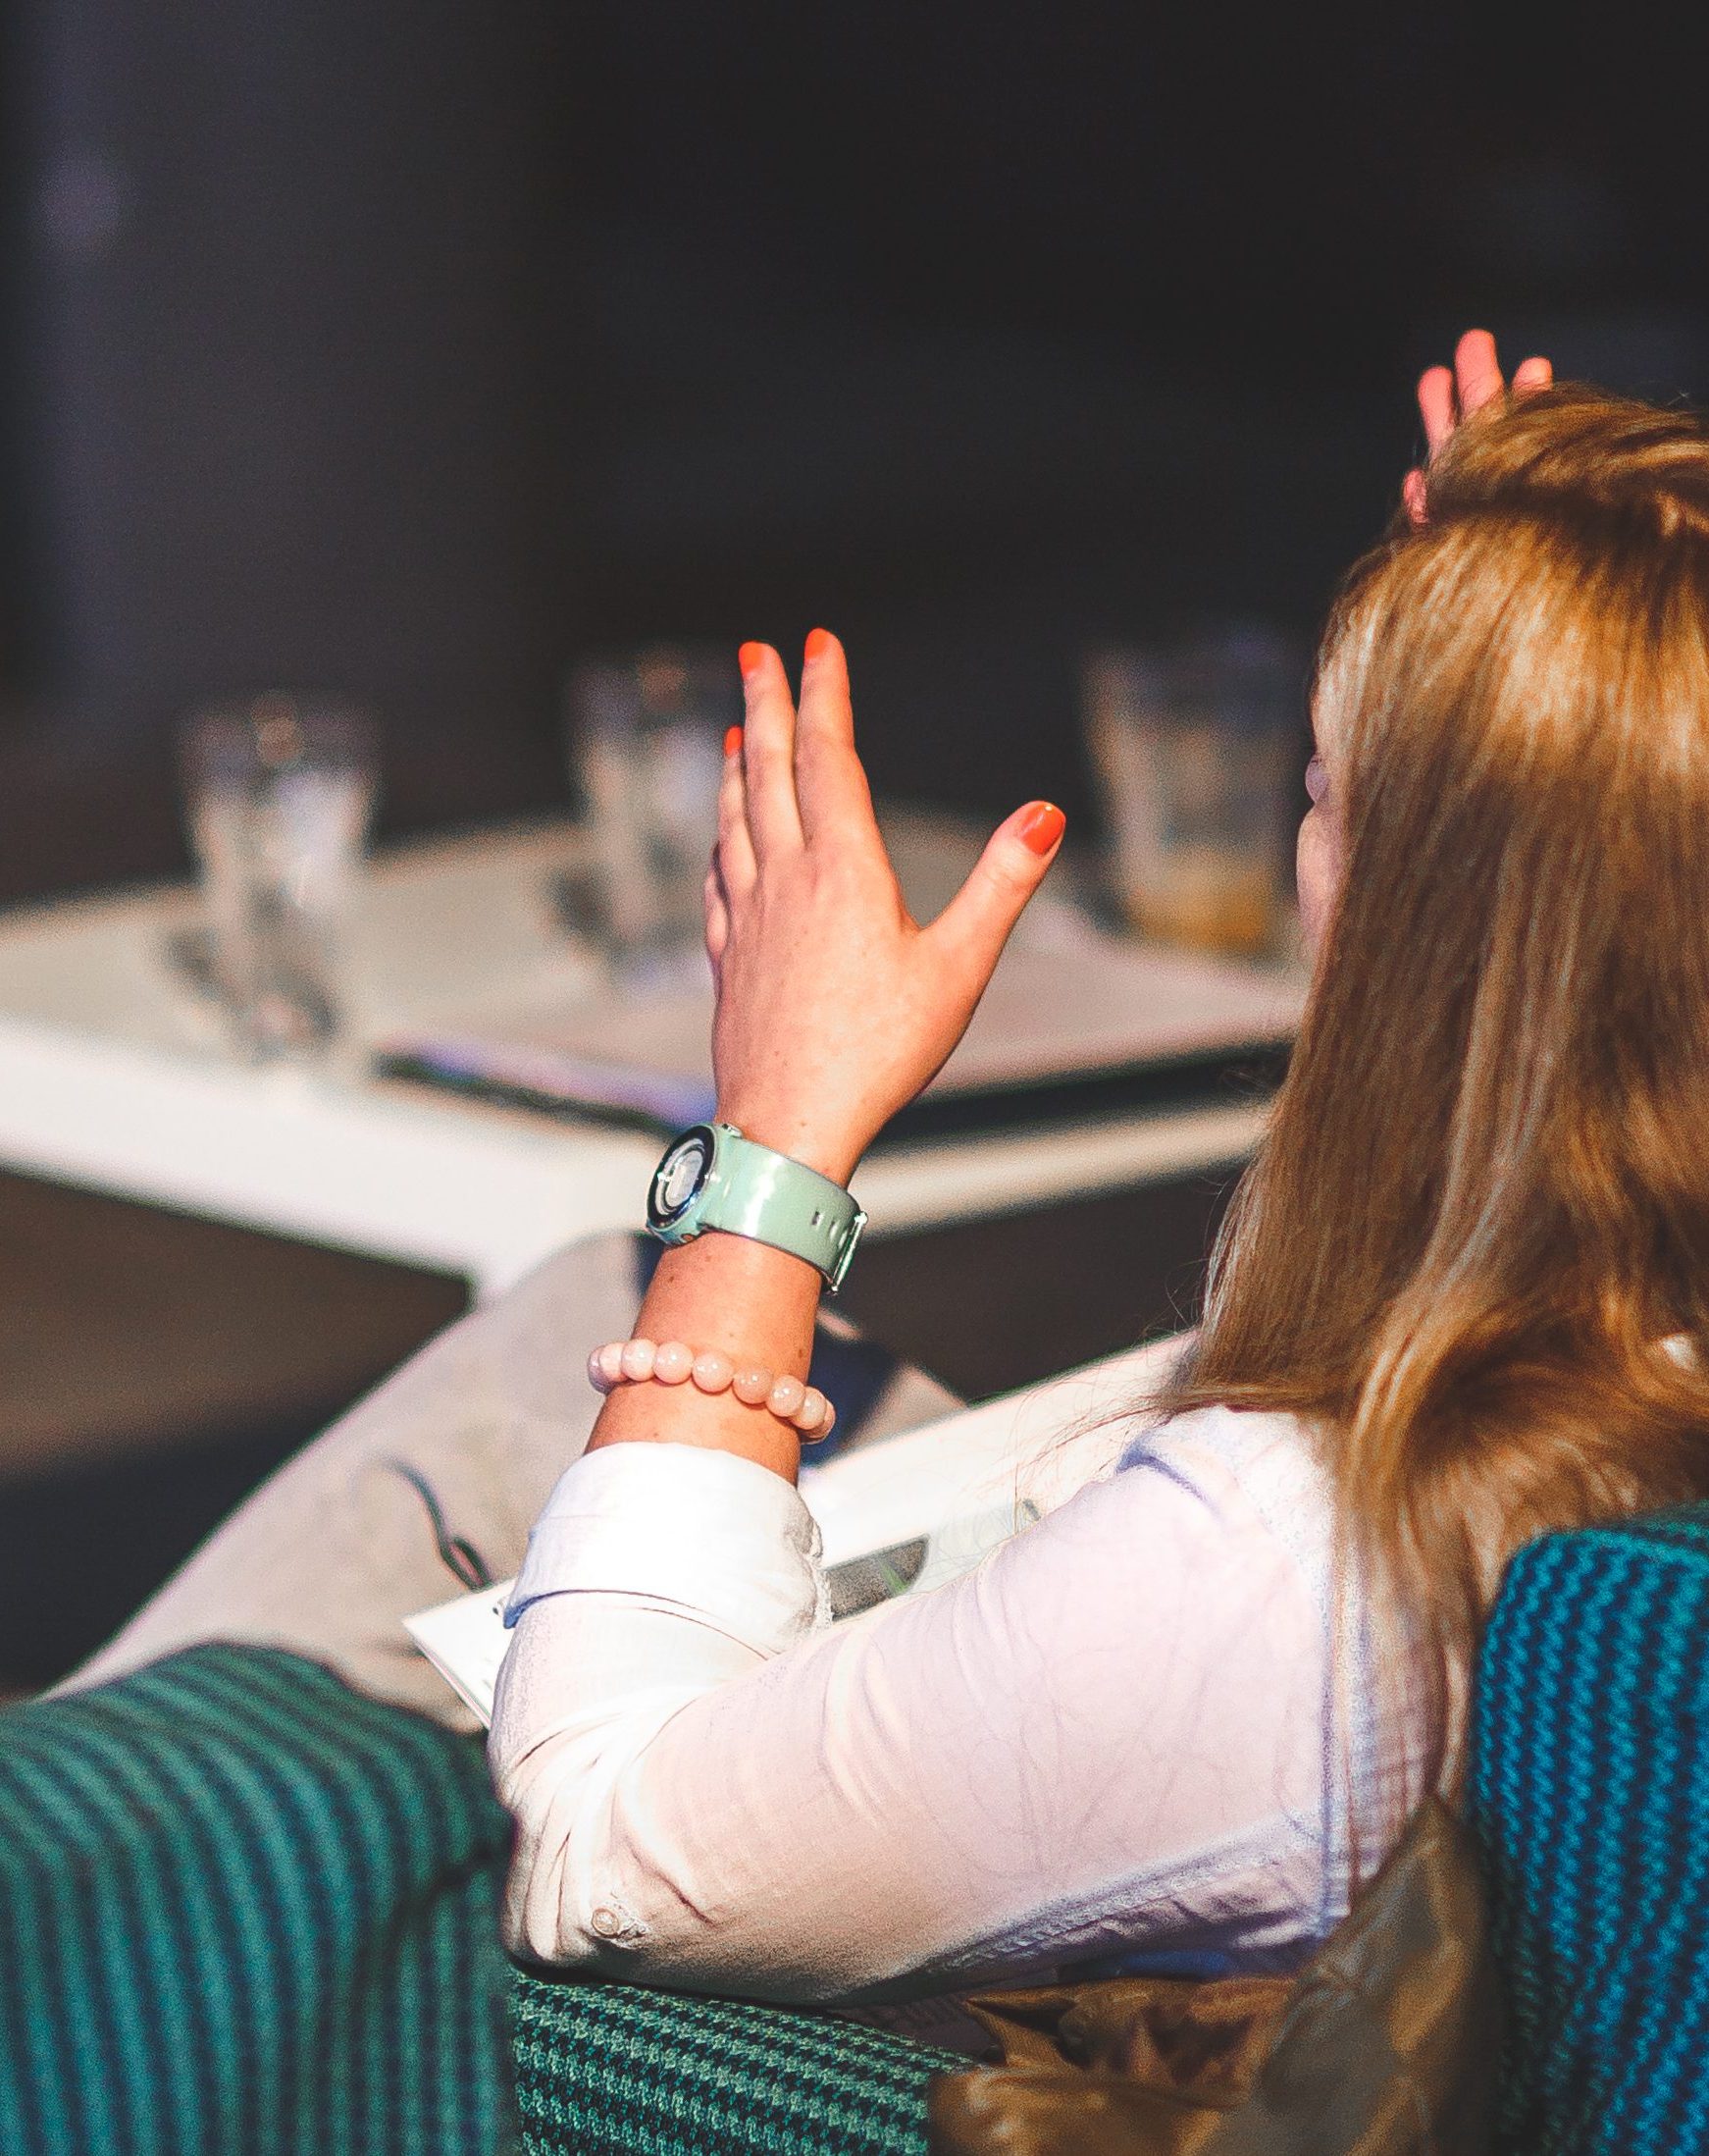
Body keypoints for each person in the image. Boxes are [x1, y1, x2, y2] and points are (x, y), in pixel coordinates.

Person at [75, 332, 1709, 2027]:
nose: (1311, 854)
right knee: (565, 1331)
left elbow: (604, 1860)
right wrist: (1554, 654)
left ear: (1444, 923)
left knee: (293, 1742)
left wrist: (774, 1146)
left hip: (931, 2009)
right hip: (1184, 1633)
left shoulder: (1299, 1568)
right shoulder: (1613, 1338)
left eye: (1321, 797)